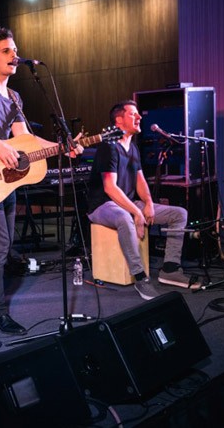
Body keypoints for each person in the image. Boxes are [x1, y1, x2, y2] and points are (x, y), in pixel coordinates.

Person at [0, 27, 81, 335]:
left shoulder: (16, 97)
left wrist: (62, 147)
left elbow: (25, 139)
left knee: (2, 244)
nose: (14, 55)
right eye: (6, 51)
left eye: (15, 50)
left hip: (5, 178)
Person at [85, 100, 199, 300]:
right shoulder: (109, 147)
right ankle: (140, 278)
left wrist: (147, 203)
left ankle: (170, 269)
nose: (139, 117)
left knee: (179, 214)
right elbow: (109, 188)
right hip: (102, 205)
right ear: (119, 120)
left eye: (138, 114)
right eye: (133, 114)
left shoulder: (133, 148)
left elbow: (140, 181)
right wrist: (137, 212)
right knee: (123, 217)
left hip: (126, 203)